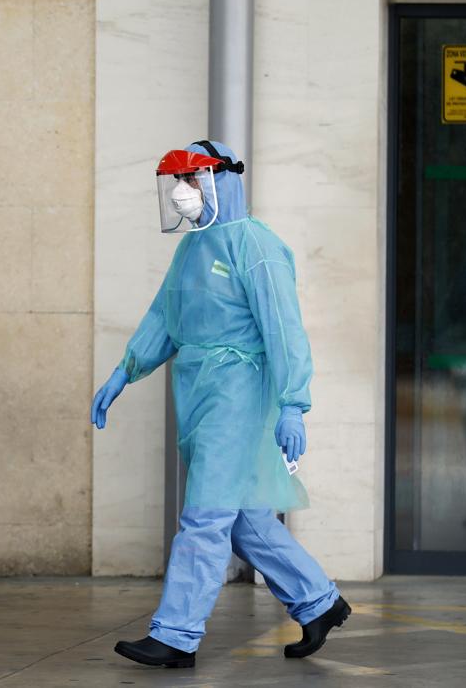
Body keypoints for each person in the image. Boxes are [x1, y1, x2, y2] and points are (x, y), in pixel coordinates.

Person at [91, 141, 349, 668]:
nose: (183, 195)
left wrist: (293, 403)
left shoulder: (254, 246)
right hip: (197, 388)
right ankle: (319, 602)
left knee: (206, 514)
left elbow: (283, 328)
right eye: (178, 184)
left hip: (238, 390)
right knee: (243, 516)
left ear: (221, 180)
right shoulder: (192, 248)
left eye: (192, 181)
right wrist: (126, 370)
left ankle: (176, 634)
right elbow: (166, 314)